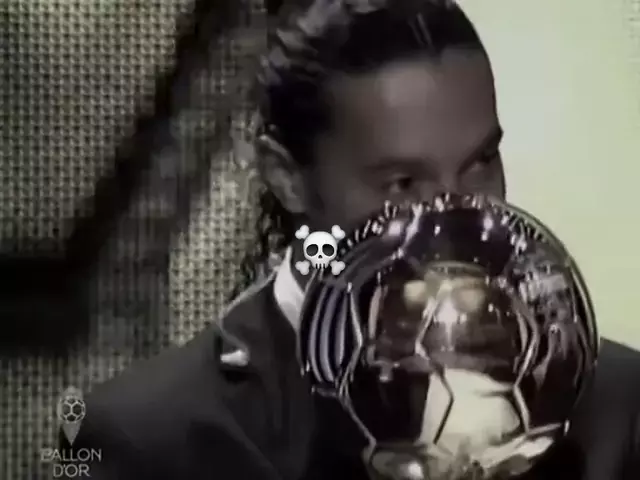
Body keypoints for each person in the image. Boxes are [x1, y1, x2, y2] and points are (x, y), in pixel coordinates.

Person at [59, 1, 640, 479]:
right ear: (287, 177)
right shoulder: (146, 439)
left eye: (480, 162)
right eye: (403, 183)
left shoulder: (615, 407)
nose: (456, 218)